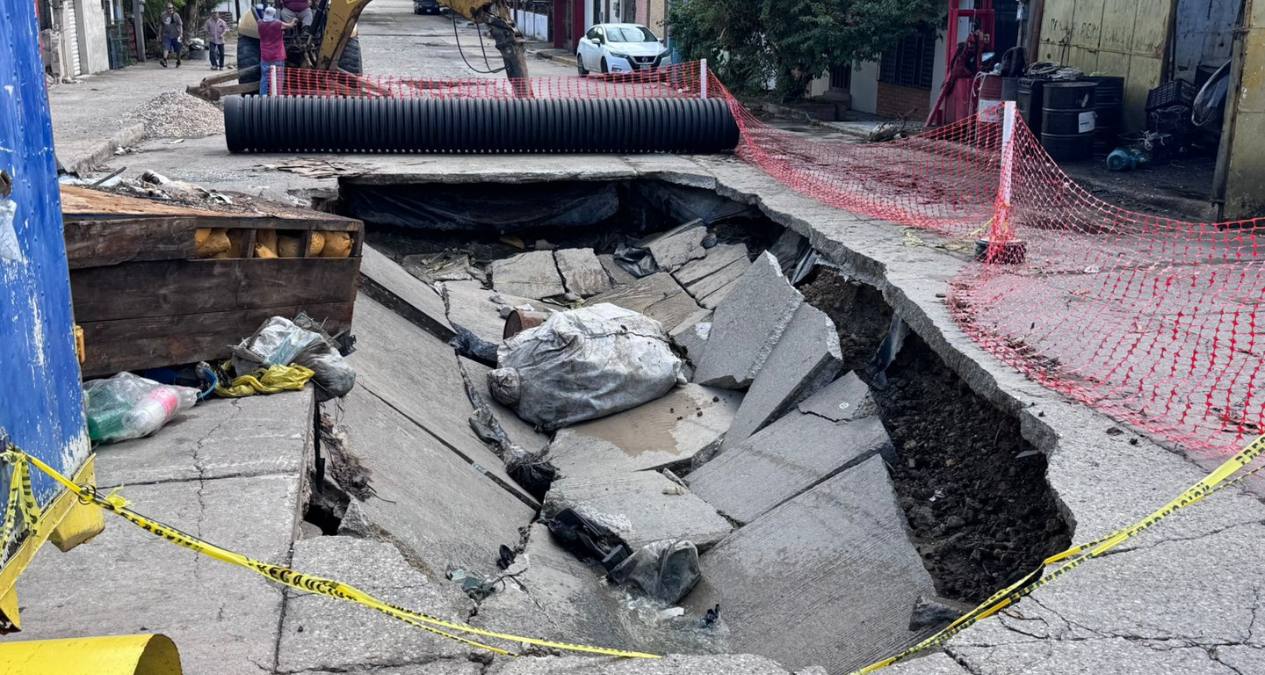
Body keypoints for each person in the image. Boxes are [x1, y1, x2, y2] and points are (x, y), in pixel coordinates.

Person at [257, 7, 295, 95]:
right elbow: (290, 25)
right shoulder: (277, 23)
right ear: (274, 15)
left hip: (265, 56)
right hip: (278, 56)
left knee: (265, 77)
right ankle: (277, 96)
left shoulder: (259, 23)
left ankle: (263, 97)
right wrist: (294, 20)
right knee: (279, 77)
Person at [159, 3, 183, 68]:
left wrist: (181, 34)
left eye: (172, 8)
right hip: (166, 34)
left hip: (176, 35)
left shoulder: (176, 15)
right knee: (166, 47)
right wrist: (159, 34)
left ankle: (178, 60)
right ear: (166, 9)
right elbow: (161, 25)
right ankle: (164, 60)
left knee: (178, 49)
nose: (171, 9)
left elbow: (180, 25)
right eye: (169, 8)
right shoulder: (163, 15)